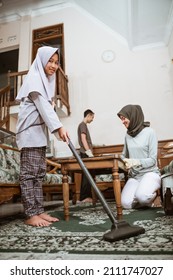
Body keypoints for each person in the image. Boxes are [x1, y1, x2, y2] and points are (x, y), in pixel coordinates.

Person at [16, 46, 69, 227]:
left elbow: (46, 109)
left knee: (38, 175)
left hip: (38, 135)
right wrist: (59, 127)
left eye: (56, 62)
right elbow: (44, 109)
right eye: (50, 61)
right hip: (29, 134)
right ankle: (31, 214)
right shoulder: (34, 79)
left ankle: (38, 211)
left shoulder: (43, 82)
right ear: (41, 60)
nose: (54, 65)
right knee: (29, 175)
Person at [117, 104, 161, 209]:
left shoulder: (150, 132)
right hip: (135, 176)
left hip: (150, 173)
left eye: (124, 118)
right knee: (125, 204)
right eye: (121, 119)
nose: (122, 122)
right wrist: (123, 160)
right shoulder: (128, 135)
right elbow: (124, 155)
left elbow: (152, 160)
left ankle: (154, 197)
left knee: (142, 196)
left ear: (133, 116)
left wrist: (136, 162)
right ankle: (143, 199)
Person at [77, 109, 95, 202]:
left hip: (84, 153)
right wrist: (88, 151)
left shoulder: (82, 125)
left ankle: (85, 197)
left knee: (87, 175)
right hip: (85, 153)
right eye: (92, 117)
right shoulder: (83, 125)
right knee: (87, 175)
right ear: (88, 115)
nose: (92, 119)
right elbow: (83, 139)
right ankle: (84, 197)